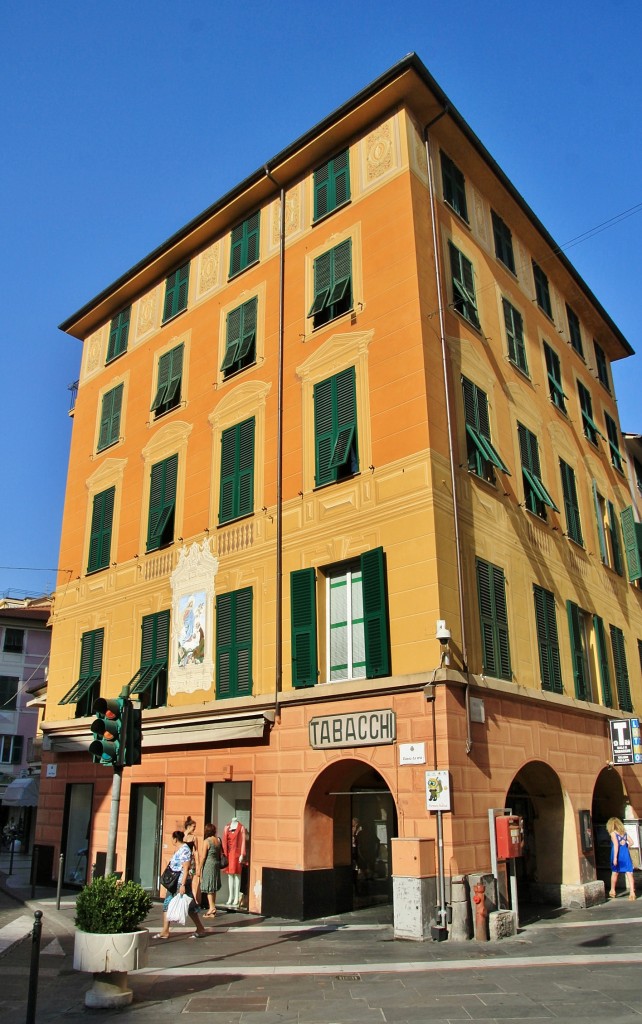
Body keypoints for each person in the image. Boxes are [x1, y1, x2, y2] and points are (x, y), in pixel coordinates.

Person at [155, 831, 209, 939]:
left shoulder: (184, 850)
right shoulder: (180, 849)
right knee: (175, 905)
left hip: (179, 883)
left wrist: (183, 884)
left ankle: (199, 928)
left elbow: (185, 868)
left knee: (188, 906)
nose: (171, 840)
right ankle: (166, 930)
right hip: (175, 883)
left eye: (172, 838)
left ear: (175, 839)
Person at [607, 817, 636, 900]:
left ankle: (612, 891)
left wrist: (615, 858)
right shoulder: (624, 833)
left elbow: (616, 846)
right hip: (626, 855)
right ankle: (632, 893)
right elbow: (632, 842)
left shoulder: (613, 833)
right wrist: (626, 845)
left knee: (615, 872)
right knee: (629, 873)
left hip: (618, 855)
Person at [222, 816, 247, 907]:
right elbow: (224, 842)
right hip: (228, 854)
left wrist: (242, 854)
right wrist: (224, 854)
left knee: (237, 876)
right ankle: (230, 896)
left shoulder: (241, 827)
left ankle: (236, 897)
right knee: (230, 876)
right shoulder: (227, 827)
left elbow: (243, 841)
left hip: (237, 855)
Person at [200, 823, 223, 916]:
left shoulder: (207, 841)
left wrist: (199, 868)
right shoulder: (218, 840)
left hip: (209, 865)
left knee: (209, 886)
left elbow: (203, 857)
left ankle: (212, 908)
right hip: (216, 864)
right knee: (213, 886)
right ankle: (213, 906)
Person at [184, 816, 201, 902]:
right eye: (193, 826)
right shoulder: (182, 835)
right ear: (188, 826)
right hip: (183, 860)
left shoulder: (194, 837)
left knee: (191, 879)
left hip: (191, 861)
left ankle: (192, 898)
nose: (194, 828)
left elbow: (196, 851)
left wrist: (198, 864)